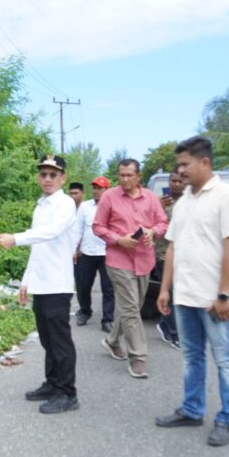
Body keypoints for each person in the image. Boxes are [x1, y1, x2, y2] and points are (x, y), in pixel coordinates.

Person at [155, 135, 229, 447]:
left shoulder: (227, 197)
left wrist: (224, 295)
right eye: (178, 165)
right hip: (185, 296)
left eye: (185, 164)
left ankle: (227, 419)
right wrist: (165, 289)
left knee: (225, 359)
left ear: (205, 162)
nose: (180, 170)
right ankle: (192, 409)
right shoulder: (184, 202)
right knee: (192, 356)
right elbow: (172, 248)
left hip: (214, 299)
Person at [0, 154, 79, 414]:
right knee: (48, 341)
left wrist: (15, 238)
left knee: (60, 342)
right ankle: (52, 384)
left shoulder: (65, 204)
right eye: (43, 174)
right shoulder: (41, 205)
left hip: (57, 284)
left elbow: (50, 233)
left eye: (53, 174)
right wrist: (26, 282)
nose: (48, 178)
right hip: (41, 284)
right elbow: (38, 247)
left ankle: (67, 393)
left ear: (62, 178)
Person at [92, 159, 167, 379]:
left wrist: (153, 232)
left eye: (129, 175)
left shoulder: (151, 199)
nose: (124, 179)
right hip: (118, 260)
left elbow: (163, 223)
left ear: (138, 176)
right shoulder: (109, 197)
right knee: (132, 309)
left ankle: (112, 341)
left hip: (144, 260)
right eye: (121, 175)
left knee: (132, 307)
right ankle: (138, 358)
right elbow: (98, 226)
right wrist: (117, 240)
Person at [72, 176, 115, 332]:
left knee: (108, 288)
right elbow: (77, 229)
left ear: (107, 190)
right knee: (83, 286)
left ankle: (107, 319)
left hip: (107, 253)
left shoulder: (113, 206)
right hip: (87, 253)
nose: (96, 191)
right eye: (94, 188)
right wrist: (73, 250)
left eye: (100, 188)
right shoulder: (84, 206)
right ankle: (85, 311)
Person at [154, 169, 186, 350]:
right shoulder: (160, 201)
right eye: (173, 181)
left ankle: (163, 323)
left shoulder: (191, 201)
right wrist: (158, 206)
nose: (176, 184)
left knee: (178, 293)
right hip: (163, 253)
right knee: (172, 293)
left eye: (180, 181)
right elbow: (147, 221)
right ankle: (174, 334)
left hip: (186, 255)